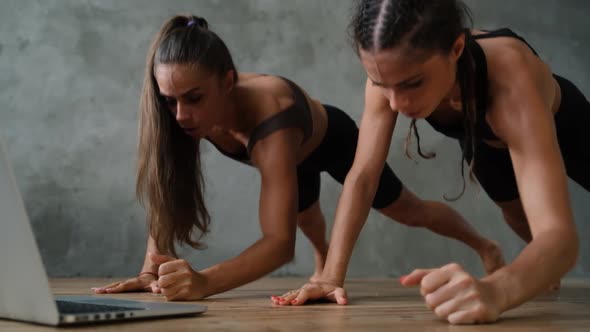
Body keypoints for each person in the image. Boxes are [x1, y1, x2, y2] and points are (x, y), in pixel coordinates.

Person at [92, 14, 503, 301]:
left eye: (194, 99)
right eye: (170, 101)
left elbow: (278, 246)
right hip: (288, 156)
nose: (181, 114)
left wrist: (204, 282)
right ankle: (323, 262)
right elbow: (169, 185)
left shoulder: (272, 118)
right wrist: (151, 268)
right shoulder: (182, 113)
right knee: (307, 217)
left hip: (330, 139)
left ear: (228, 82)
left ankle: (484, 245)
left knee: (409, 209)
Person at [273, 0, 587, 325]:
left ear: (456, 47)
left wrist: (497, 290)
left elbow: (561, 238)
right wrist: (329, 278)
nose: (396, 103)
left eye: (412, 84)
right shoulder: (389, 80)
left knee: (548, 239)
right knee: (517, 218)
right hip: (483, 140)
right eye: (383, 86)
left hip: (565, 124)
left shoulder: (510, 80)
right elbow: (364, 177)